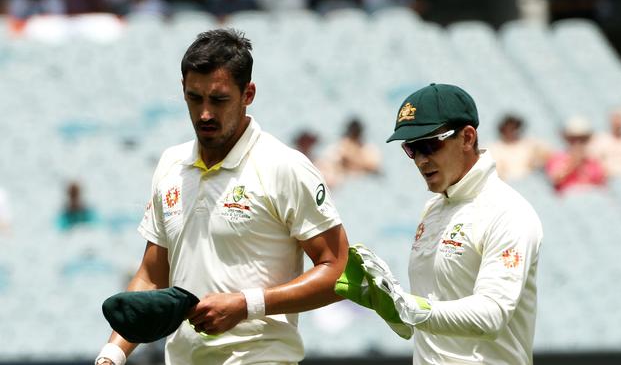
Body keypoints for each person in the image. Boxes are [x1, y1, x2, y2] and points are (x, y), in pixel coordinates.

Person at [95, 29, 349, 365]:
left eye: (218, 99)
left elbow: (338, 272)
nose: (204, 114)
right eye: (194, 98)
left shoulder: (284, 166)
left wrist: (247, 304)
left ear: (248, 94)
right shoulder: (171, 164)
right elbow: (153, 274)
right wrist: (113, 353)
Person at [383, 83, 543, 364]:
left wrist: (408, 308)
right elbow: (431, 307)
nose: (421, 160)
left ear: (467, 137)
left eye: (429, 144)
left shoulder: (508, 211)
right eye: (412, 149)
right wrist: (383, 299)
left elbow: (491, 315)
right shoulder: (432, 209)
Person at [545, 116, 606, 194]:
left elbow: (600, 183)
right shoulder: (557, 158)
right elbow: (555, 179)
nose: (578, 143)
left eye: (582, 139)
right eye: (573, 139)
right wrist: (572, 164)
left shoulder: (593, 161)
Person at [488, 114, 552, 181]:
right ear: (502, 130)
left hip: (532, 180)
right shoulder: (494, 149)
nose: (512, 133)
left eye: (514, 129)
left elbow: (548, 154)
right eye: (509, 129)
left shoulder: (529, 144)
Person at [320, 117, 381, 187]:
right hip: (341, 183)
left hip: (362, 184)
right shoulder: (340, 145)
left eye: (356, 133)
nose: (353, 135)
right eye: (352, 132)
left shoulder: (368, 149)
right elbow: (330, 162)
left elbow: (375, 170)